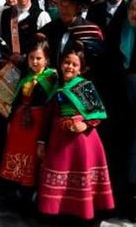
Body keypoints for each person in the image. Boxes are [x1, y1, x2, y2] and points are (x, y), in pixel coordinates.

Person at [37, 41, 115, 220]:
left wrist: (84, 123)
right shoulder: (55, 87)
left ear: (81, 69)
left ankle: (81, 214)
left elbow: (97, 113)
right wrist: (41, 141)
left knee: (80, 179)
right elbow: (47, 116)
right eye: (66, 62)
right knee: (60, 177)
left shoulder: (84, 86)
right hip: (59, 140)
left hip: (83, 141)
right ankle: (59, 213)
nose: (69, 67)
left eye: (74, 64)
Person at [0, 34, 57, 204]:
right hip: (19, 122)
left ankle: (30, 191)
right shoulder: (26, 77)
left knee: (32, 156)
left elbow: (51, 105)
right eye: (31, 58)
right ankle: (14, 189)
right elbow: (16, 100)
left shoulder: (51, 78)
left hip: (37, 122)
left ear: (47, 59)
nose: (35, 62)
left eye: (39, 58)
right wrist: (10, 120)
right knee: (15, 153)